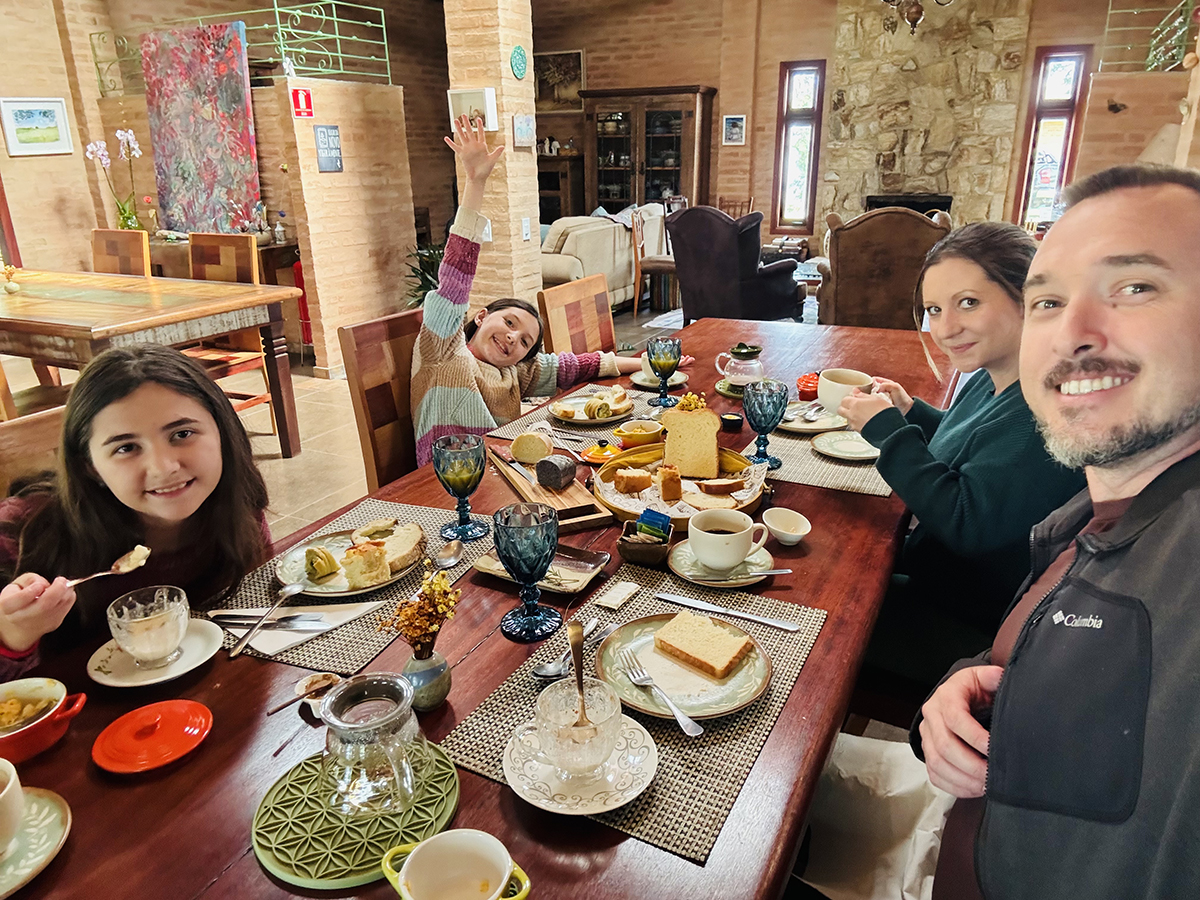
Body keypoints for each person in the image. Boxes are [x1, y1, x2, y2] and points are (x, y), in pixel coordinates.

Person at [916, 164, 1200, 899]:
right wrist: (978, 682)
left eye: (1134, 286)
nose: (1072, 333)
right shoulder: (1091, 524)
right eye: (1048, 300)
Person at [836, 223, 1084, 683]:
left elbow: (965, 521)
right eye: (934, 309)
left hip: (972, 629)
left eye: (968, 302)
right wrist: (912, 413)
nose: (945, 328)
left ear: (1027, 295)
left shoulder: (1046, 411)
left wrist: (889, 434)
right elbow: (969, 443)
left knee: (820, 604)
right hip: (939, 582)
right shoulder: (1001, 376)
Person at [411, 115, 683, 466]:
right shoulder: (443, 352)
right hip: (445, 481)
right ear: (480, 316)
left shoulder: (513, 372)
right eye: (509, 323)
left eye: (525, 342)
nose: (513, 339)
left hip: (506, 471)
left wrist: (647, 363)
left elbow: (571, 366)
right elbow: (454, 279)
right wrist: (476, 183)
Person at [0, 345, 270, 679]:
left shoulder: (235, 500)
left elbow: (257, 600)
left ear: (222, 433)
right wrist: (13, 637)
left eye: (182, 434)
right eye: (126, 448)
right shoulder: (22, 532)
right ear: (90, 467)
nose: (163, 467)